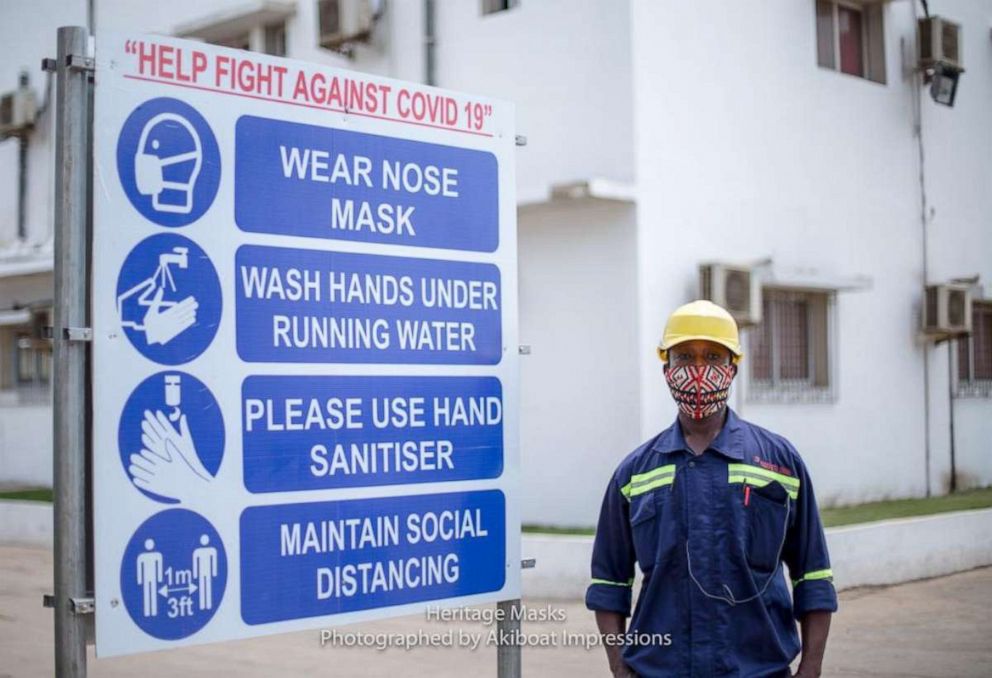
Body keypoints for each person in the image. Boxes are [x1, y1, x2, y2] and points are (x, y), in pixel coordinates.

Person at [586, 300, 837, 677]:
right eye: (685, 356)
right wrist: (620, 670)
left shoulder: (781, 463)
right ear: (666, 368)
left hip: (759, 670)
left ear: (733, 367)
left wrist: (812, 668)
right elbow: (609, 584)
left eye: (714, 357)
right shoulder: (633, 474)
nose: (700, 371)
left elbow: (813, 576)